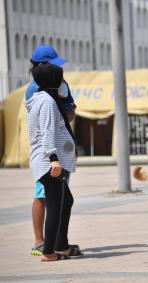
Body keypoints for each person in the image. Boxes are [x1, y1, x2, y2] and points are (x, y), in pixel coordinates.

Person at [26, 45, 78, 256]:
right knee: (49, 200)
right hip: (49, 158)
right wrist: (54, 158)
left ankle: (60, 245)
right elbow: (46, 130)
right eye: (56, 70)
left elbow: (68, 110)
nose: (60, 75)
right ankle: (46, 247)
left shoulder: (50, 91)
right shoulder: (41, 96)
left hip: (54, 155)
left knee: (64, 200)